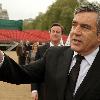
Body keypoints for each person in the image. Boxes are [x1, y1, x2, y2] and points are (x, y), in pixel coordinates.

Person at [0, 2, 100, 100]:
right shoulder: (53, 54)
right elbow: (21, 73)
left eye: (85, 27)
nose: (75, 32)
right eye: (74, 25)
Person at [31, 23, 64, 100]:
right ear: (50, 33)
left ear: (61, 34)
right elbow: (35, 70)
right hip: (43, 91)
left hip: (61, 92)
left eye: (58, 32)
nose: (55, 33)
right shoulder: (41, 49)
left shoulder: (67, 51)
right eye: (53, 31)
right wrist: (34, 89)